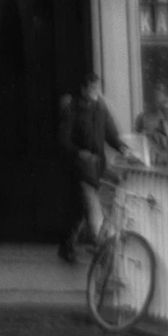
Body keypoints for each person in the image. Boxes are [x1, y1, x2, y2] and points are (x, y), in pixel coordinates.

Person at [59, 77, 122, 264]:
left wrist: (123, 148)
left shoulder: (101, 109)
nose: (96, 90)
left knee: (85, 207)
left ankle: (70, 246)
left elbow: (111, 134)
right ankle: (90, 246)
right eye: (92, 87)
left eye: (97, 87)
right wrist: (79, 152)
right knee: (88, 203)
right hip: (81, 166)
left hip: (98, 166)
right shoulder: (73, 110)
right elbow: (64, 139)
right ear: (84, 88)